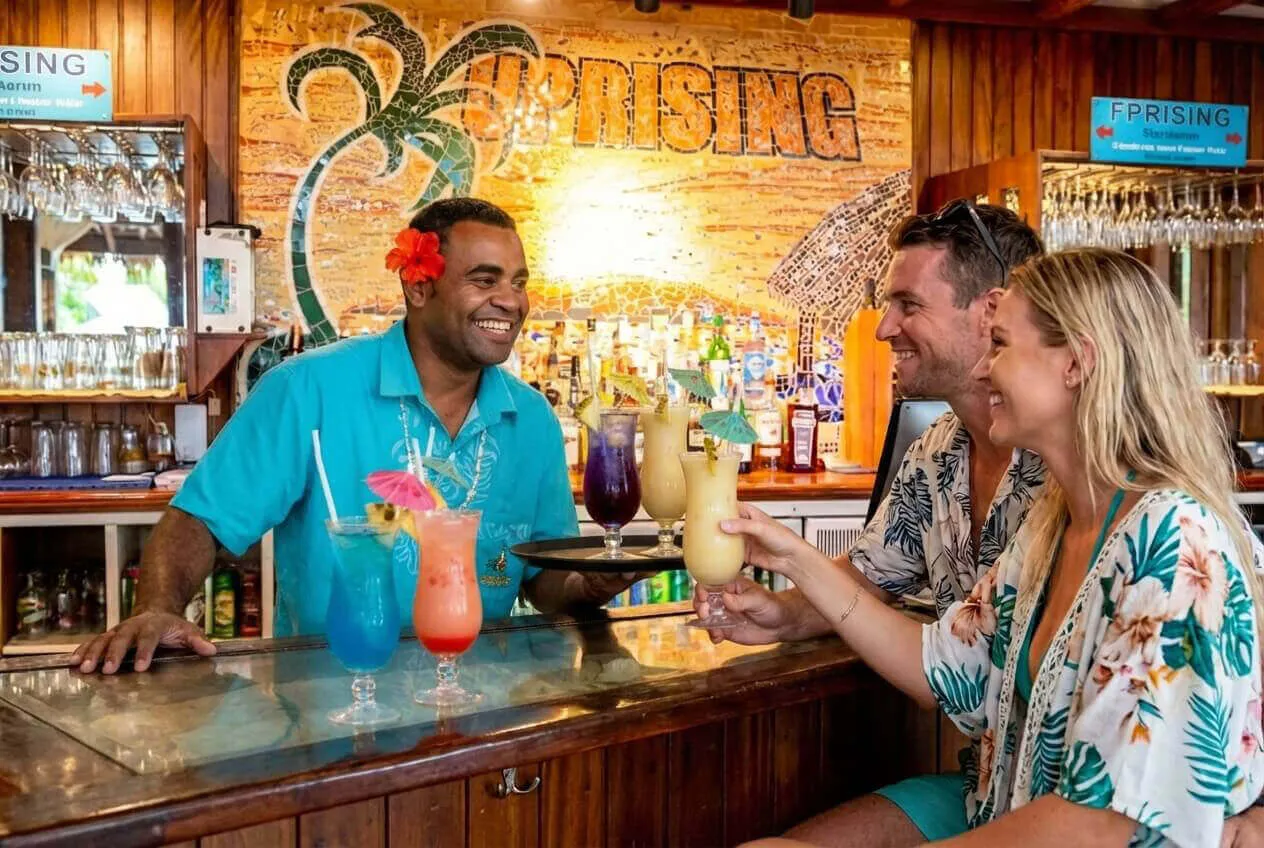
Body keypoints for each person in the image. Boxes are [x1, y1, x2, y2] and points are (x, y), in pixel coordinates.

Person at [730, 248, 1264, 848]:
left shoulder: (1172, 542)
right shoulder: (1052, 523)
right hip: (999, 808)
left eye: (1002, 345)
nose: (983, 371)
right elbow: (944, 667)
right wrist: (793, 557)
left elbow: (1105, 827)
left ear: (1077, 363)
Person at [71, 198, 644, 675]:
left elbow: (543, 580)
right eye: (484, 280)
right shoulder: (308, 388)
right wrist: (156, 609)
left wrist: (587, 583)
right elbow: (201, 517)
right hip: (330, 710)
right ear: (418, 288)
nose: (512, 302)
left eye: (518, 282)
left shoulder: (532, 419)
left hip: (486, 713)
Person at [702, 200, 1046, 846]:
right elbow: (865, 577)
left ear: (992, 313)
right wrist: (784, 613)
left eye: (908, 305)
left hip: (1045, 815)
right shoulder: (939, 450)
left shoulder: (1073, 473)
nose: (884, 328)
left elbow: (958, 679)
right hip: (984, 793)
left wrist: (792, 558)